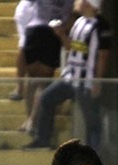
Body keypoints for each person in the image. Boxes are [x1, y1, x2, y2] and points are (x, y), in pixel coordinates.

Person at [23, 0, 111, 150]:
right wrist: (61, 35)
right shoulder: (79, 22)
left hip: (86, 81)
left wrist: (97, 81)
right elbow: (72, 46)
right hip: (71, 77)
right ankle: (43, 139)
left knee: (92, 121)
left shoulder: (101, 26)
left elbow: (103, 55)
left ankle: (93, 155)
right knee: (46, 99)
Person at [18, 0, 75, 132]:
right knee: (34, 79)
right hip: (37, 28)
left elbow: (69, 13)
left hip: (50, 31)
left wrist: (63, 29)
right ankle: (30, 119)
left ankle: (32, 120)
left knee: (42, 79)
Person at [8, 0, 36, 102]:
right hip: (30, 8)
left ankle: (30, 86)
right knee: (25, 44)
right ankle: (20, 88)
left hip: (44, 8)